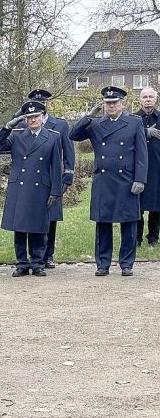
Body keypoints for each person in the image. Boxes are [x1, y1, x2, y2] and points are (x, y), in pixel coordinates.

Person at [70, 86, 148, 276]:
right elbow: (73, 135)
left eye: (114, 103)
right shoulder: (96, 123)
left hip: (126, 179)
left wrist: (140, 179)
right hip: (104, 179)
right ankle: (103, 263)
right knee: (103, 223)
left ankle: (127, 263)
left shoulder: (133, 122)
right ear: (103, 105)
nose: (111, 106)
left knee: (128, 223)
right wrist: (88, 116)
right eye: (107, 103)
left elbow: (141, 154)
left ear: (122, 103)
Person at [0, 102, 63, 277]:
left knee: (39, 226)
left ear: (42, 117)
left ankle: (37, 263)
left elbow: (56, 166)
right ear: (25, 119)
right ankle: (22, 263)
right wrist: (7, 127)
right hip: (20, 186)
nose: (33, 120)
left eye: (36, 117)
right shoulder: (17, 135)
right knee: (20, 227)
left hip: (41, 186)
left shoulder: (53, 137)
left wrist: (56, 191)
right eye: (29, 117)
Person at [23, 89, 75, 268]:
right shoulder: (25, 124)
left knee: (50, 217)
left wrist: (68, 174)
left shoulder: (59, 124)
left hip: (52, 176)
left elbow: (68, 150)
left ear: (47, 105)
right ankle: (32, 255)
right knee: (30, 217)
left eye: (43, 102)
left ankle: (48, 254)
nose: (41, 105)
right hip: (30, 179)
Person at [135, 87, 160, 246]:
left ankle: (153, 237)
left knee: (156, 204)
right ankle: (136, 237)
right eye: (145, 96)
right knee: (137, 204)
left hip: (157, 167)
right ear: (140, 100)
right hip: (137, 167)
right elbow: (125, 134)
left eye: (151, 96)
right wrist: (145, 132)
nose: (148, 99)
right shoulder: (133, 118)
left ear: (156, 99)